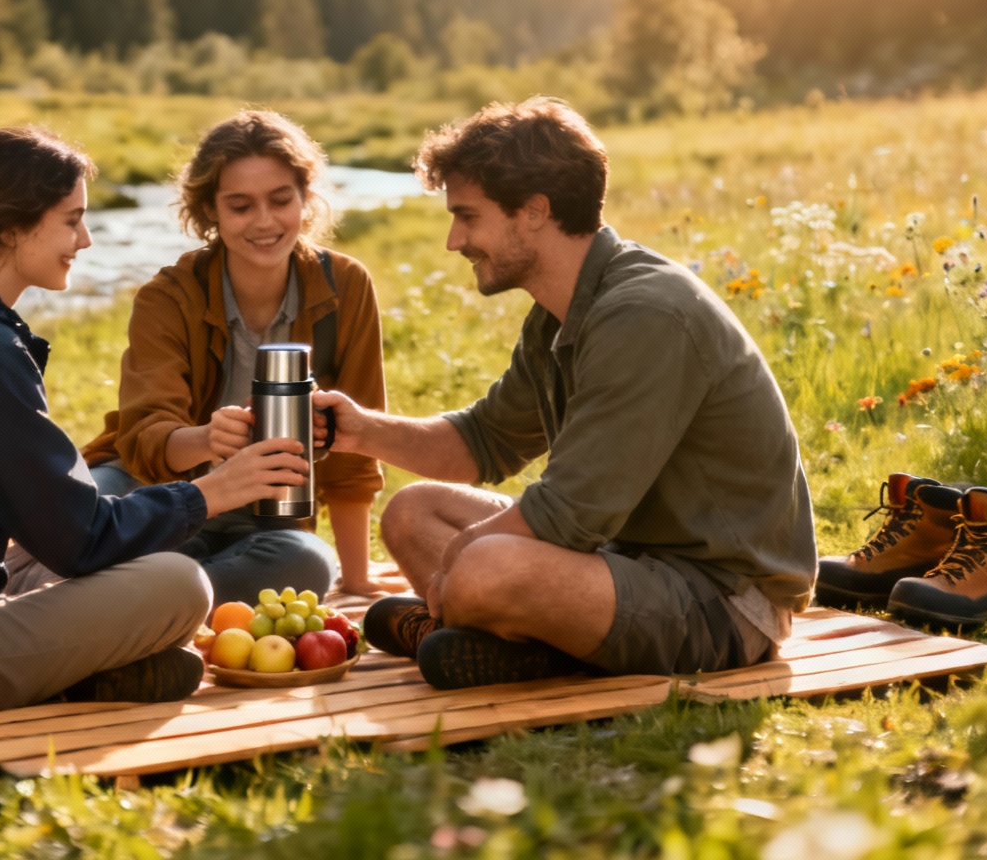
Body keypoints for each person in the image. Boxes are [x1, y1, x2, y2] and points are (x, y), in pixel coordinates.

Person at [0, 127, 312, 717]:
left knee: (52, 550)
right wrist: (213, 491)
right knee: (180, 585)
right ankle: (76, 673)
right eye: (71, 220)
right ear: (12, 226)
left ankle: (84, 667)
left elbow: (50, 523)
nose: (86, 239)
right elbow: (82, 540)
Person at [314, 97, 817, 690]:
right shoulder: (560, 314)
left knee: (484, 565)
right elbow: (481, 442)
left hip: (721, 601)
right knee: (414, 512)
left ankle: (504, 636)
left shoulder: (644, 314)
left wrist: (457, 566)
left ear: (534, 211)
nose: (454, 240)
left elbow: (571, 515)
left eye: (468, 217)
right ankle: (509, 637)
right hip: (626, 560)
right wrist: (359, 430)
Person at [74, 110, 401, 606]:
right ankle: (157, 596)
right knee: (89, 502)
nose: (265, 221)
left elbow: (355, 450)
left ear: (306, 198)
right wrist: (206, 439)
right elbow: (144, 434)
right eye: (240, 205)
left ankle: (138, 600)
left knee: (309, 562)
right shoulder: (168, 296)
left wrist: (355, 580)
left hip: (263, 521)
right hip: (159, 498)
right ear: (211, 211)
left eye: (281, 199)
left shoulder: (345, 287)